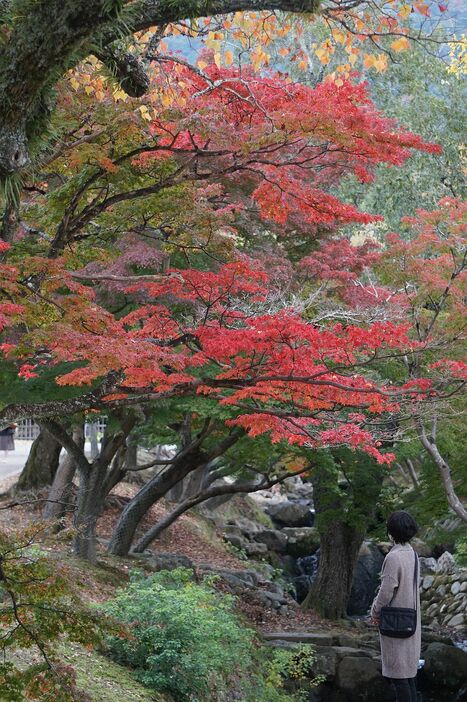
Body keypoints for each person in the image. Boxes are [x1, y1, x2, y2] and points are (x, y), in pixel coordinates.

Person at [370, 510, 420, 702]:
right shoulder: (412, 554)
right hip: (411, 620)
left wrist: (375, 611)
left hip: (395, 622)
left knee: (398, 677)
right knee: (408, 676)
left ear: (391, 532)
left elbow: (386, 591)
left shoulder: (393, 557)